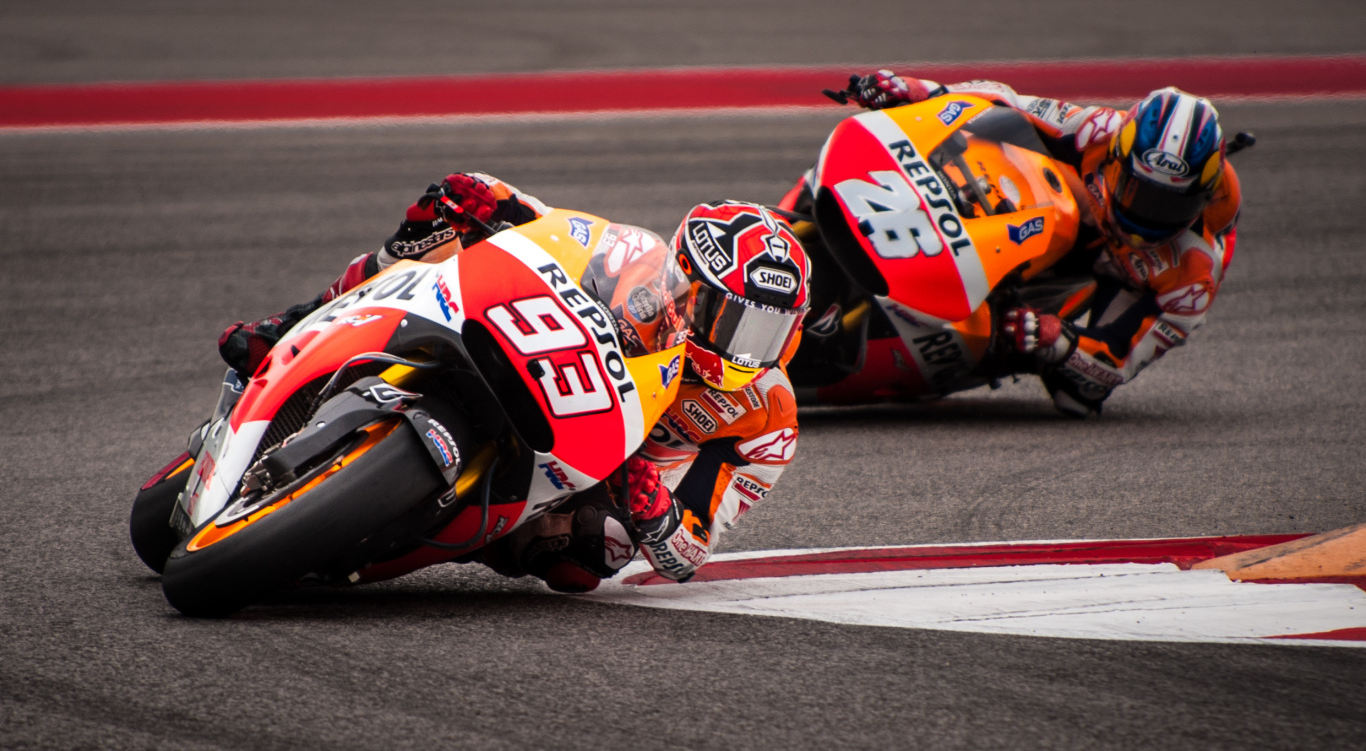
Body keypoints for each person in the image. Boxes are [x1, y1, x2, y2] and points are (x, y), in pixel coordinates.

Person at [218, 174, 810, 592]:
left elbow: (688, 557)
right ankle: (299, 322)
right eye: (733, 321)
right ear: (691, 284)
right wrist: (496, 201)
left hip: (595, 477)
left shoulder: (769, 420)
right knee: (439, 229)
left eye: (768, 330)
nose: (744, 348)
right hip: (543, 362)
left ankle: (404, 530)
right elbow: (556, 231)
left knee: (597, 554)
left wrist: (658, 513)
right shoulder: (637, 265)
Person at [835, 71, 1242, 417]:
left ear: (1202, 197)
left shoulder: (1194, 275)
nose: (1149, 213)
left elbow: (1118, 361)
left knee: (1076, 396)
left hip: (1131, 273)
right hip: (1080, 208)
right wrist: (921, 91)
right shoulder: (1100, 130)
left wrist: (1058, 340)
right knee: (999, 158)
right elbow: (1003, 101)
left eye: (1171, 204)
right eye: (1139, 191)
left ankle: (995, 345)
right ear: (1118, 157)